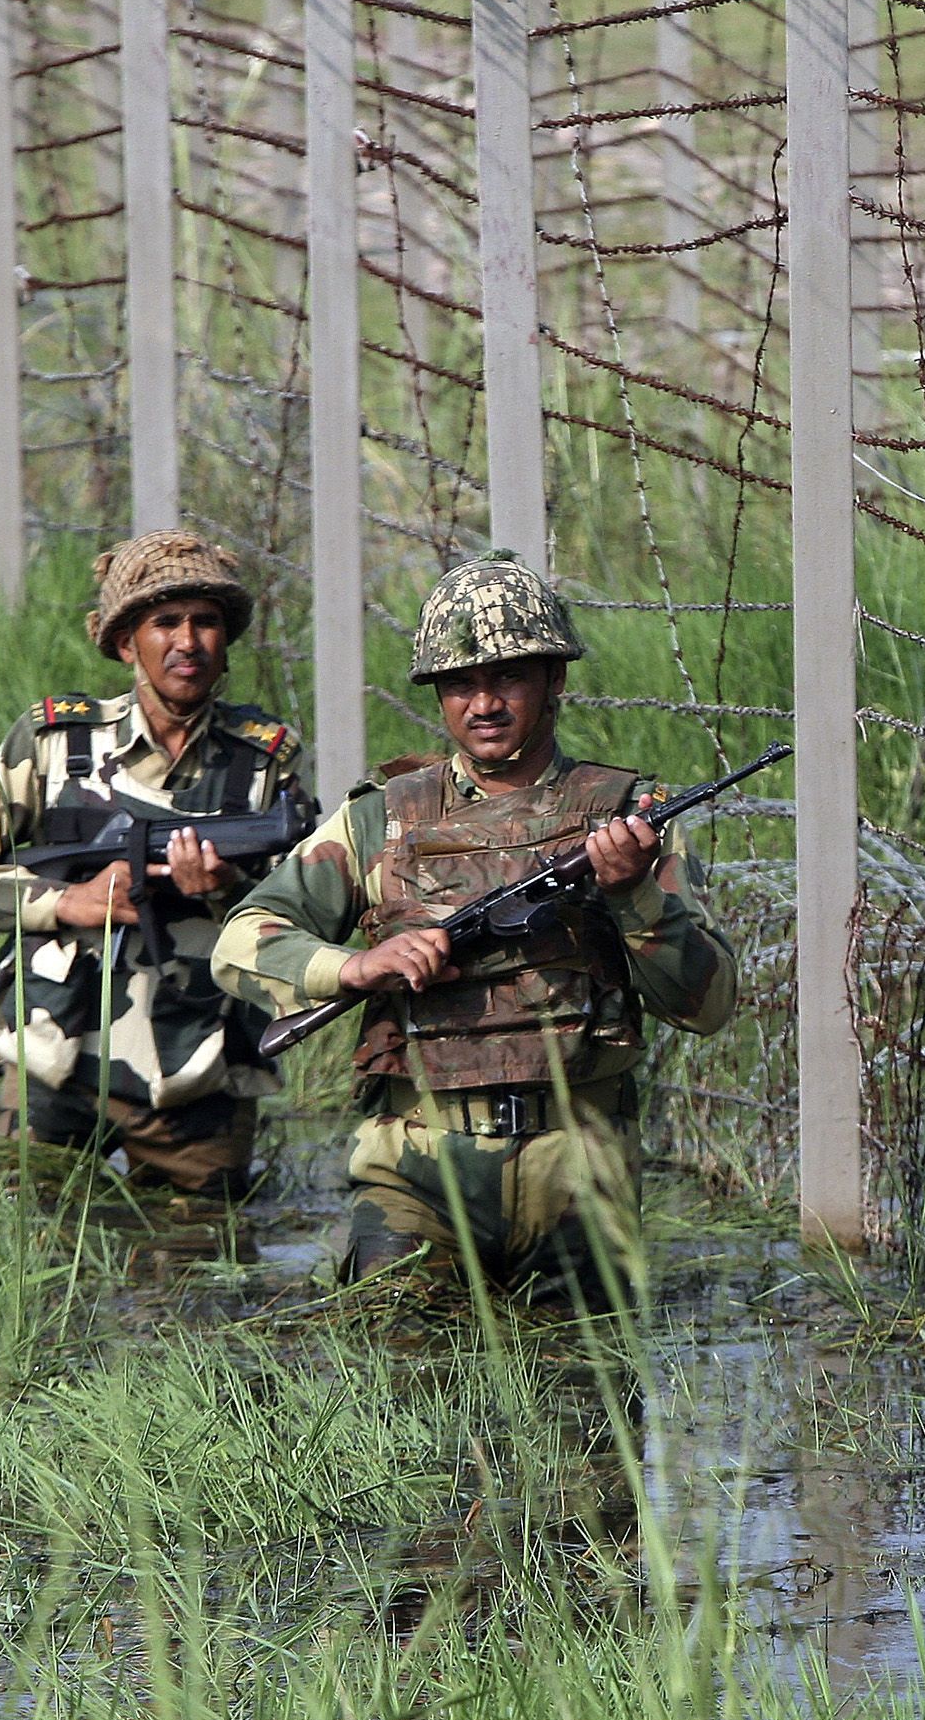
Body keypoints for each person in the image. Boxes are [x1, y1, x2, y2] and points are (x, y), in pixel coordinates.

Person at [214, 549, 738, 1297]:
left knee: (581, 1404)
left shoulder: (632, 820)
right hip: (413, 1173)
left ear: (555, 680)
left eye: (508, 677)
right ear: (437, 695)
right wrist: (357, 966)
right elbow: (243, 938)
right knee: (403, 1394)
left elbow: (709, 1005)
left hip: (579, 1173)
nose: (483, 704)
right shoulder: (379, 821)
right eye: (461, 683)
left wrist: (633, 899)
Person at [0, 531, 304, 1200]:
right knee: (27, 1249)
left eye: (206, 623)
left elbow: (301, 909)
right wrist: (67, 902)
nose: (188, 642)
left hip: (199, 1066)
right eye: (165, 623)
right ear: (127, 643)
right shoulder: (53, 745)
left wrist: (224, 891)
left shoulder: (263, 760)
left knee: (204, 1271)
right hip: (52, 1061)